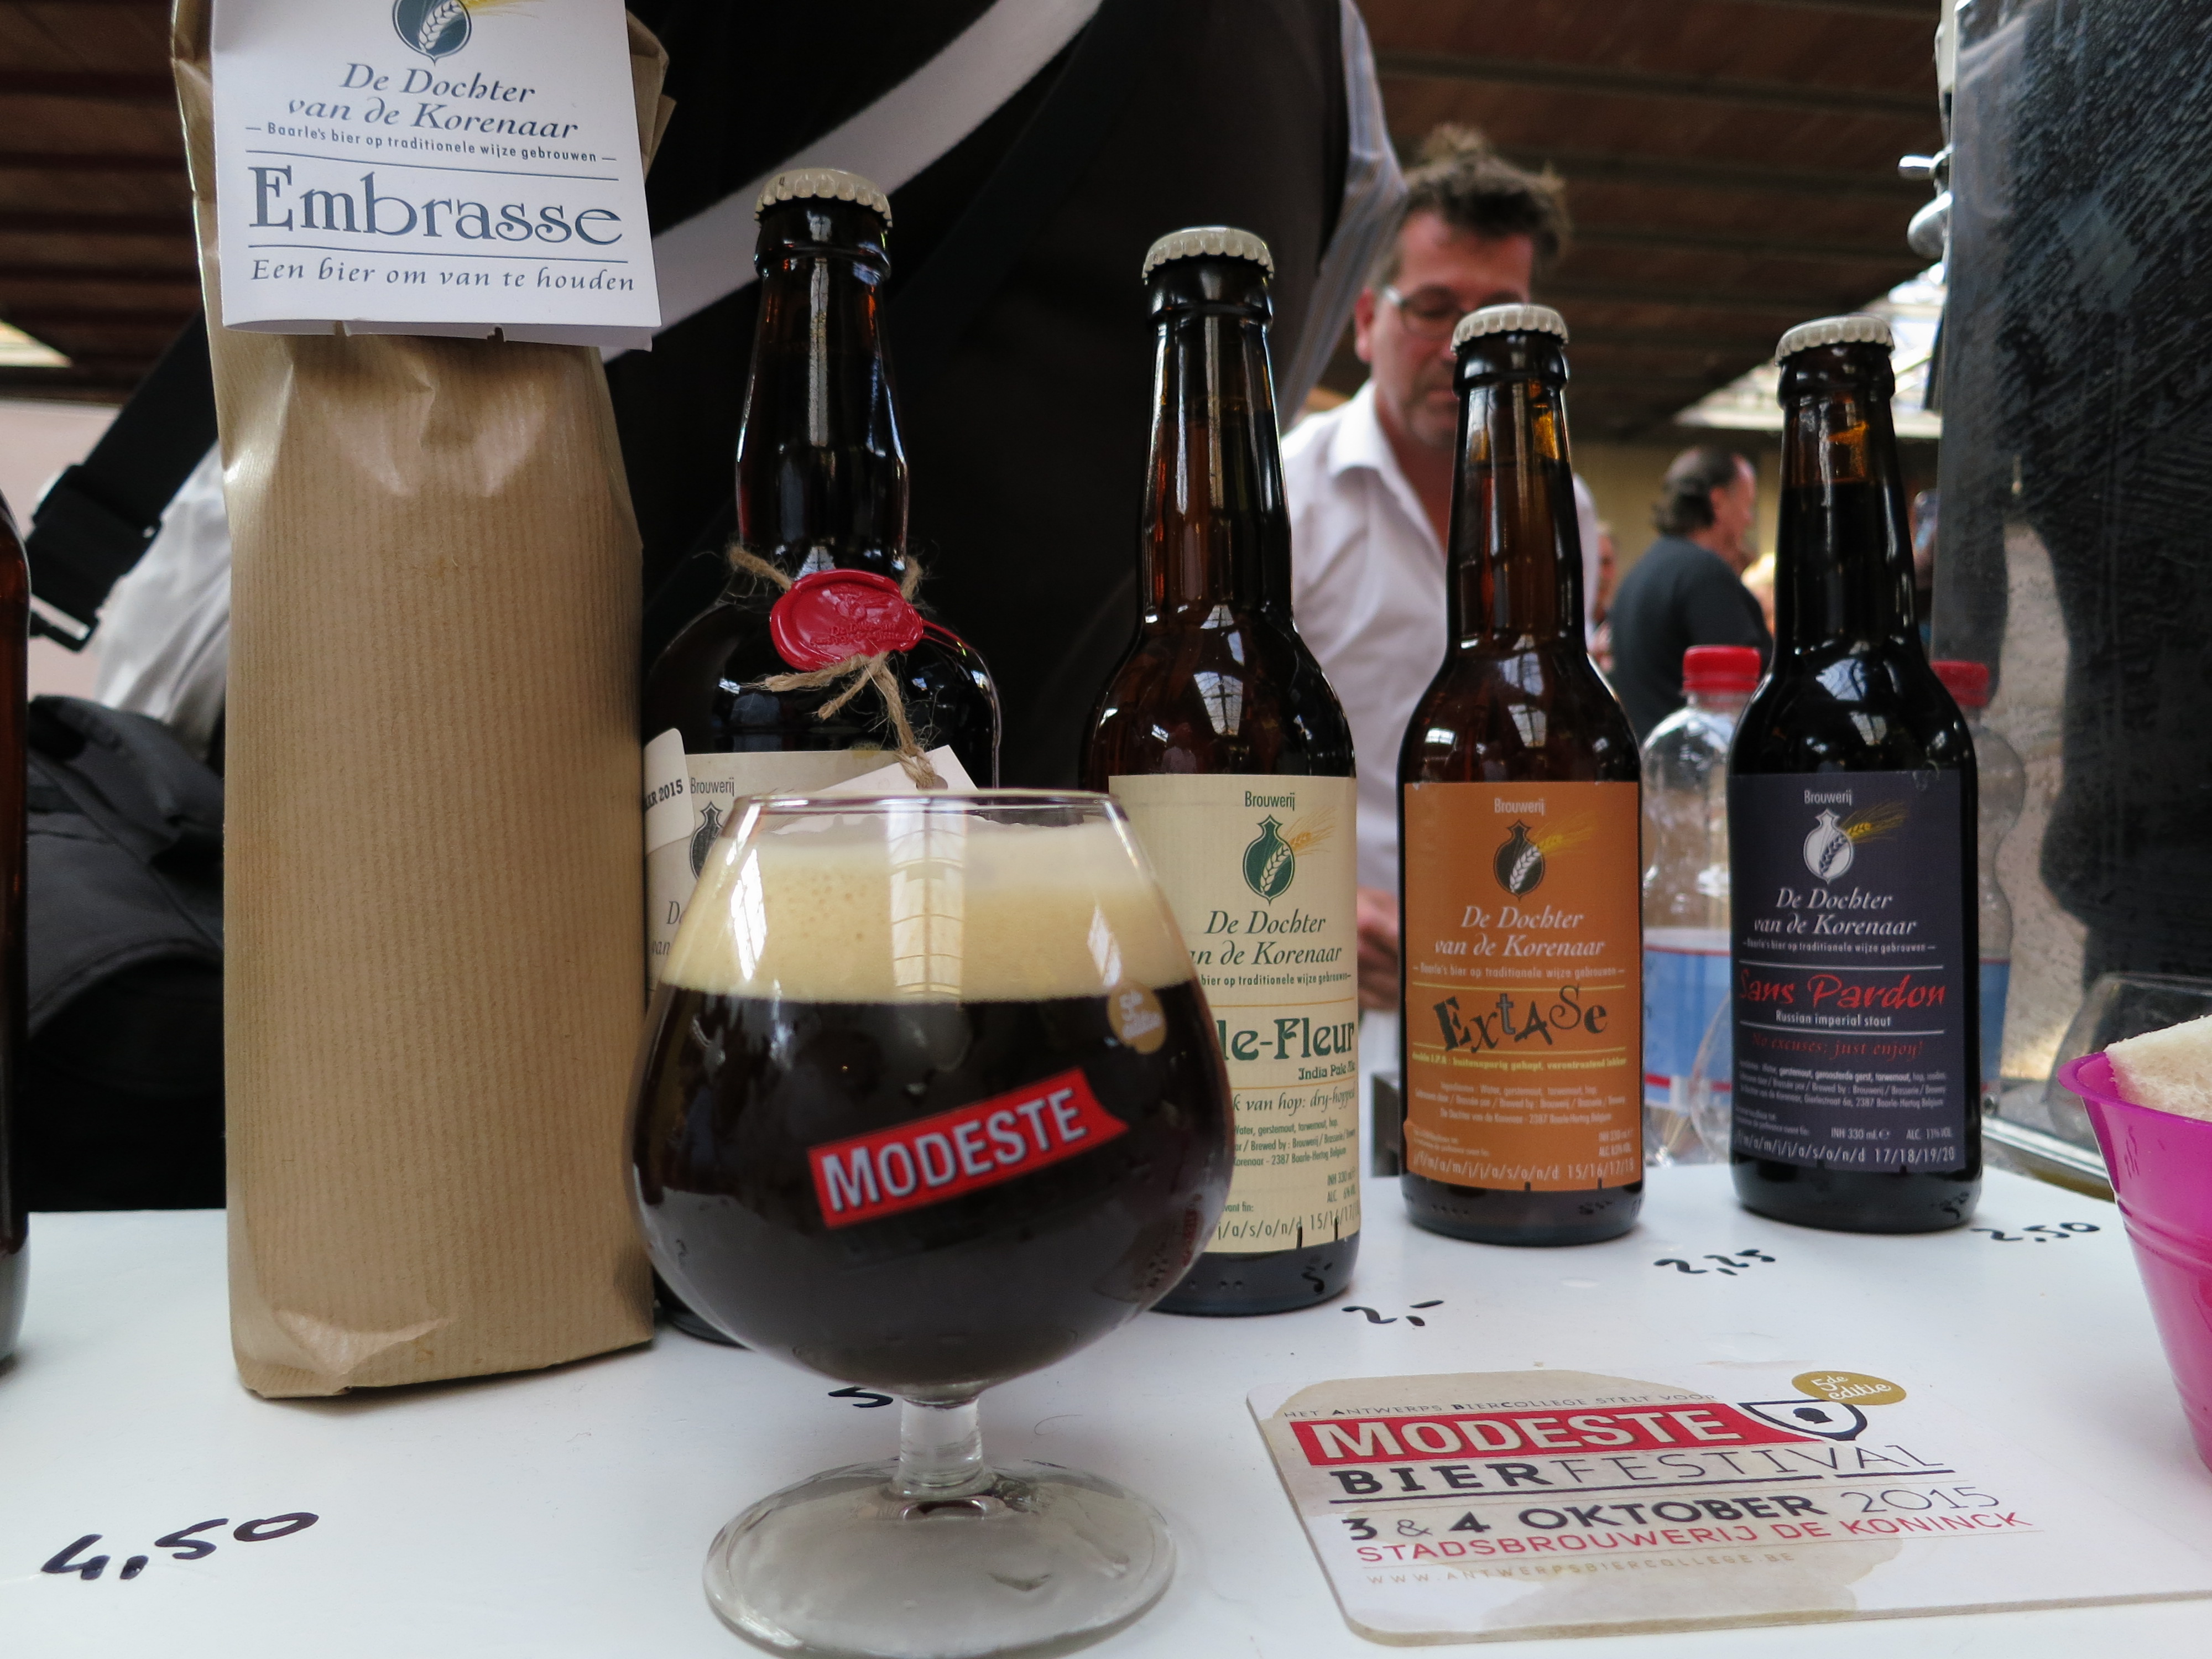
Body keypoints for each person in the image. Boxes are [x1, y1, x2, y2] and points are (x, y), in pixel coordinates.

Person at [1284, 126, 1594, 1013]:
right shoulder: (1288, 499)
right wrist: (1314, 903)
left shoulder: (1563, 509)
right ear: (1366, 321)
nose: (1466, 346)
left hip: (1514, 952)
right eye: (1432, 309)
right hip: (1327, 972)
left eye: (1500, 311)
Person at [1606, 446, 1771, 742]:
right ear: (1718, 501)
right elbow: (1745, 695)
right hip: (1704, 761)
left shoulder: (1639, 574)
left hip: (1654, 758)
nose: (1749, 520)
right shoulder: (1705, 575)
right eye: (1747, 506)